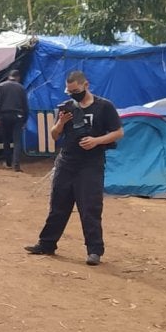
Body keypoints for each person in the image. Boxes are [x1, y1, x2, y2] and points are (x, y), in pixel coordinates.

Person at [25, 70, 123, 265]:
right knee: (58, 205)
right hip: (66, 162)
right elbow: (54, 135)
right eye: (69, 91)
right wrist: (61, 123)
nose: (72, 94)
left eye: (76, 90)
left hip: (91, 164)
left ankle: (94, 251)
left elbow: (119, 132)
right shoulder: (67, 107)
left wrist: (96, 141)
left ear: (86, 85)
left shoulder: (104, 107)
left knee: (90, 208)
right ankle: (46, 244)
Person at [0, 69, 29, 171]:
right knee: (17, 140)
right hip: (18, 116)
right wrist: (25, 119)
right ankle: (16, 164)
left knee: (6, 140)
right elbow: (25, 105)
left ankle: (8, 163)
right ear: (18, 78)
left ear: (9, 77)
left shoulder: (1, 86)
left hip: (5, 116)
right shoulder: (21, 88)